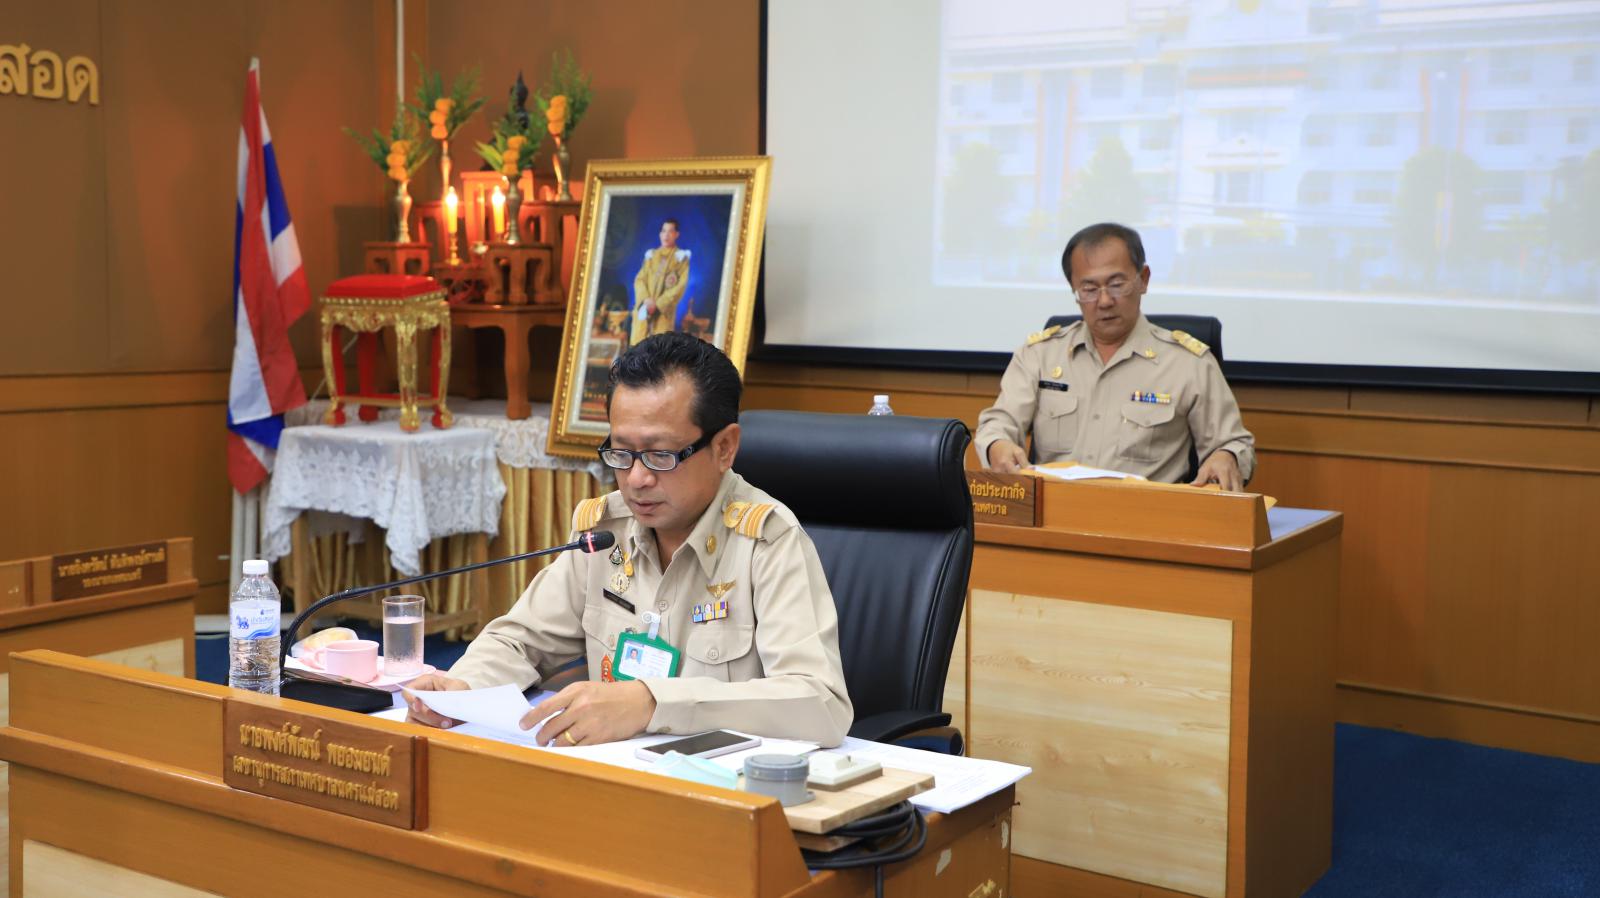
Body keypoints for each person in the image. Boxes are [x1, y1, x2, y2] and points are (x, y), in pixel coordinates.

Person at [404, 332, 853, 746]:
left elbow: (822, 703)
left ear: (724, 448)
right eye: (621, 453)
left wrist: (653, 703)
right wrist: (463, 687)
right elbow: (520, 641)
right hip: (612, 773)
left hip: (722, 783)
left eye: (660, 455)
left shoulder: (767, 541)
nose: (636, 479)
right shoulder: (605, 532)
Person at [975, 222, 1255, 490]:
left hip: (1148, 516)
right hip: (1054, 513)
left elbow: (1234, 443)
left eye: (1117, 284)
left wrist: (1227, 456)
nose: (1105, 301)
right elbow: (998, 424)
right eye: (1089, 289)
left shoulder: (1189, 364)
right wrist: (997, 445)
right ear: (1074, 290)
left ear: (1143, 279)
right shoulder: (1040, 355)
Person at [629, 219, 691, 345]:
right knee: (637, 349)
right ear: (660, 234)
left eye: (670, 231)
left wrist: (657, 304)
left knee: (659, 349)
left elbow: (680, 286)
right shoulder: (651, 256)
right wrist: (646, 300)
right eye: (663, 231)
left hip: (663, 314)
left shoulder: (680, 258)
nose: (666, 235)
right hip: (644, 309)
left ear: (676, 234)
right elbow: (640, 280)